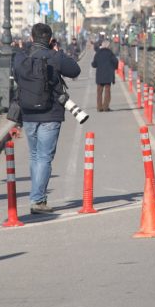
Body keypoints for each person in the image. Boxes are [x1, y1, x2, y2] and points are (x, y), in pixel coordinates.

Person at [12, 22, 81, 214]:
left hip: (28, 113)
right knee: (44, 157)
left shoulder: (22, 57)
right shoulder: (54, 56)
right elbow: (75, 70)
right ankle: (37, 200)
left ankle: (37, 196)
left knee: (35, 156)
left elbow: (16, 78)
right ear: (50, 40)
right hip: (50, 113)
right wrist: (58, 52)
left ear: (31, 38)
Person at [91, 39, 119, 112]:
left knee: (99, 92)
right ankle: (106, 107)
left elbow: (94, 64)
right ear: (108, 46)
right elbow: (116, 61)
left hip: (100, 75)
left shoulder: (98, 53)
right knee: (107, 91)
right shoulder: (110, 53)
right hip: (108, 75)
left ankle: (99, 107)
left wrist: (97, 65)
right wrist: (114, 67)